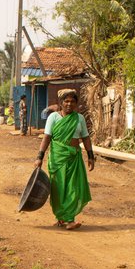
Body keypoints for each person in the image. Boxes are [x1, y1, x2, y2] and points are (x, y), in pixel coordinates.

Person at [34, 89, 94, 230]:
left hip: (74, 157)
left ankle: (69, 219)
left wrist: (91, 156)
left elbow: (85, 137)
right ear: (60, 103)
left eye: (72, 101)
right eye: (66, 101)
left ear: (76, 103)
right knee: (58, 188)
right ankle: (61, 218)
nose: (69, 104)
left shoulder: (79, 118)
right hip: (57, 158)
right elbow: (47, 137)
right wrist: (39, 157)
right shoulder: (53, 117)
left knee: (73, 188)